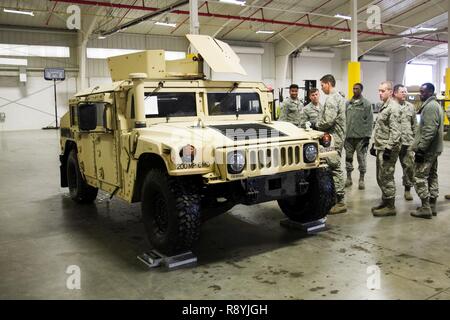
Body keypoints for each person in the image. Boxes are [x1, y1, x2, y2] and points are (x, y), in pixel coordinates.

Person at [411, 83, 444, 219]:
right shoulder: (435, 105)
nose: (420, 94)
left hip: (427, 150)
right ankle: (432, 204)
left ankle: (425, 207)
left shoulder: (430, 107)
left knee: (419, 177)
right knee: (431, 176)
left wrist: (421, 150)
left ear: (431, 92)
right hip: (434, 149)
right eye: (420, 91)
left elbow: (429, 131)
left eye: (423, 92)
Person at [370, 81, 402, 217]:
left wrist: (389, 149)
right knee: (380, 176)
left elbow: (396, 132)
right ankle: (385, 200)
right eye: (379, 90)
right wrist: (373, 144)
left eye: (383, 91)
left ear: (390, 92)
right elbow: (379, 127)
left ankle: (390, 206)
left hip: (388, 148)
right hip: (380, 146)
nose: (380, 93)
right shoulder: (384, 106)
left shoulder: (393, 108)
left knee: (386, 176)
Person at [317, 74, 347, 214]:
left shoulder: (332, 99)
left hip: (333, 138)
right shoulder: (338, 97)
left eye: (322, 85)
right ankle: (335, 198)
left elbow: (328, 121)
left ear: (328, 84)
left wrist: (315, 125)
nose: (321, 88)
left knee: (334, 167)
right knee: (331, 166)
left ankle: (340, 201)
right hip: (336, 137)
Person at [344, 83, 373, 190]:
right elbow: (344, 119)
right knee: (348, 159)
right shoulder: (348, 103)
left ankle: (361, 179)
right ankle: (348, 178)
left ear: (361, 90)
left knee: (361, 159)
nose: (354, 90)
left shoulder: (366, 104)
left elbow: (370, 121)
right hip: (349, 138)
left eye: (357, 89)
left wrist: (368, 137)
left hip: (361, 138)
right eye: (353, 88)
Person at [393, 84, 417, 201]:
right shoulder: (390, 107)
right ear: (395, 93)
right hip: (393, 143)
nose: (405, 94)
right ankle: (388, 193)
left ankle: (407, 190)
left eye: (405, 92)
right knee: (388, 169)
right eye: (402, 92)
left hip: (407, 143)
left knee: (409, 167)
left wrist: (416, 142)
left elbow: (414, 125)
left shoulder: (411, 107)